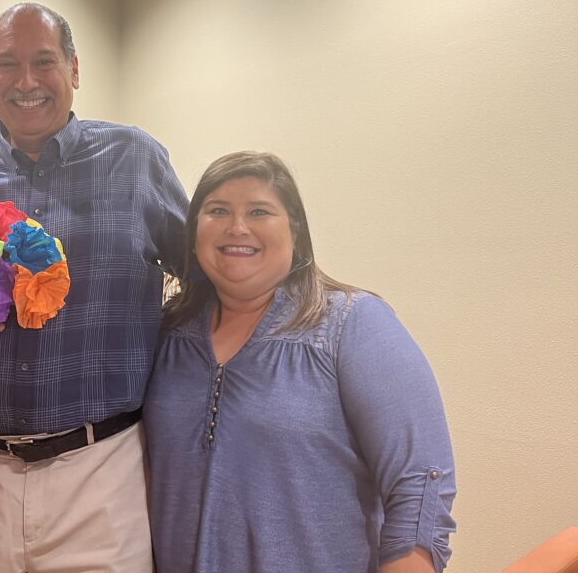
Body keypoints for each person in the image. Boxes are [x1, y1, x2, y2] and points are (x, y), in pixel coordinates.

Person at [0, 2, 188, 573]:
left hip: (100, 474)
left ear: (74, 69)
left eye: (43, 61)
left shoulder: (135, 159)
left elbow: (203, 274)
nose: (26, 81)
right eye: (7, 64)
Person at [144, 151, 457, 573]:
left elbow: (419, 486)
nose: (237, 227)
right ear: (194, 231)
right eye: (218, 210)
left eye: (259, 211)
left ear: (294, 230)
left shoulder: (353, 324)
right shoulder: (168, 335)